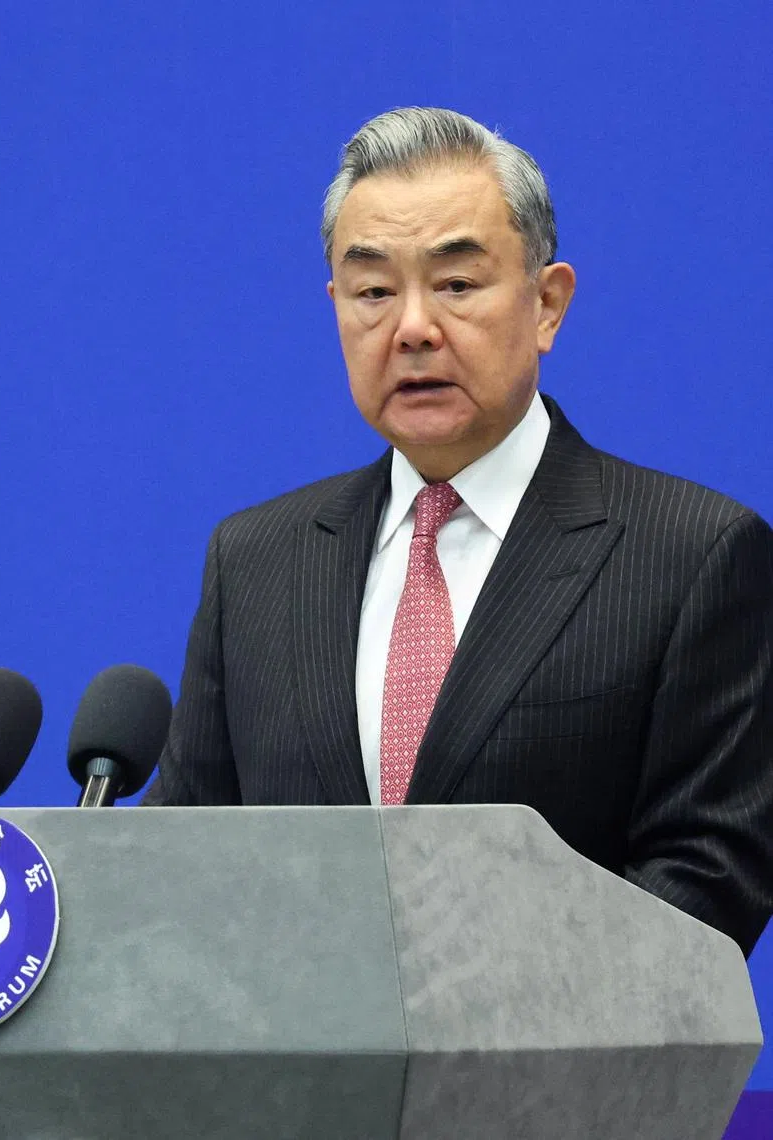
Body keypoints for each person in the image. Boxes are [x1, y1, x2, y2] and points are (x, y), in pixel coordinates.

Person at [143, 106, 773, 959]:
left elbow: (706, 881)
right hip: (300, 1087)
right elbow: (181, 865)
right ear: (337, 307)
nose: (411, 328)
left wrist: (460, 1020)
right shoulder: (256, 562)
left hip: (560, 1083)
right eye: (373, 291)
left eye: (457, 285)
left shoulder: (693, 554)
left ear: (547, 304)